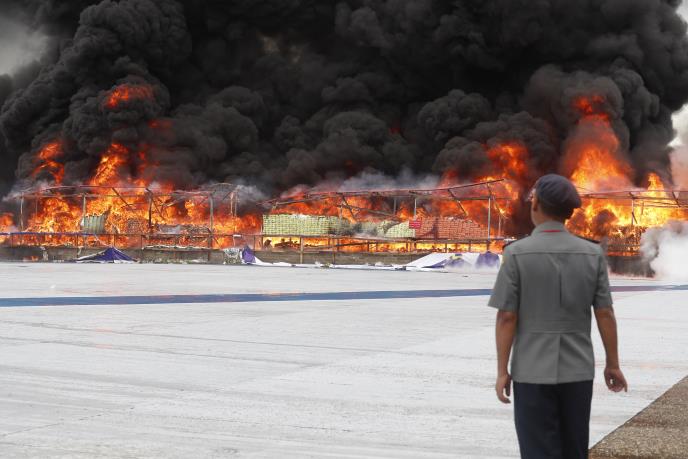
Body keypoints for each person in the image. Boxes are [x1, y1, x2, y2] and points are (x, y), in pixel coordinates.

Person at [489, 174, 627, 459]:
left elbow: (506, 317)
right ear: (568, 212)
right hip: (578, 370)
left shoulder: (516, 254)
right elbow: (605, 313)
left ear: (536, 204)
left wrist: (502, 370)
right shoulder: (592, 254)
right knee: (574, 449)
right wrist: (612, 364)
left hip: (531, 371)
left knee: (537, 450)